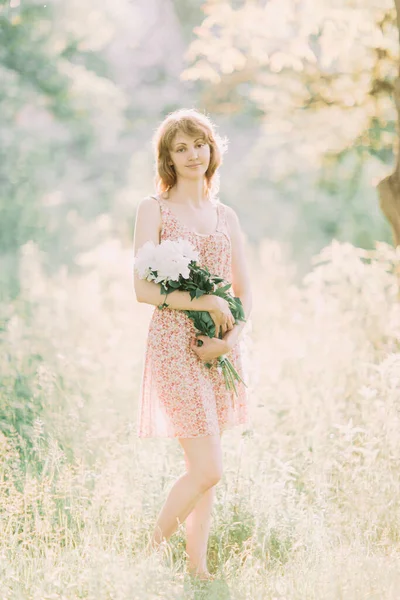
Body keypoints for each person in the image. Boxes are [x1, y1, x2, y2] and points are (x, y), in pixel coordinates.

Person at [133, 108, 252, 581]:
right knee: (208, 468)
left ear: (212, 149)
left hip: (219, 349)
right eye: (180, 148)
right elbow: (143, 290)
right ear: (167, 158)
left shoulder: (226, 216)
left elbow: (243, 293)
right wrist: (200, 298)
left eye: (199, 144)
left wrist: (229, 343)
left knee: (205, 468)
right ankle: (142, 553)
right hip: (172, 346)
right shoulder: (153, 209)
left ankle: (197, 572)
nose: (192, 155)